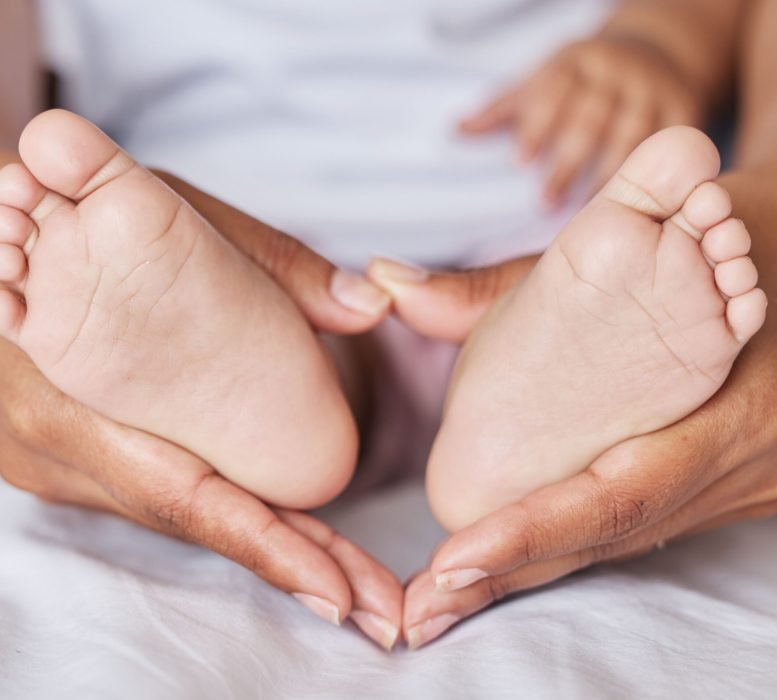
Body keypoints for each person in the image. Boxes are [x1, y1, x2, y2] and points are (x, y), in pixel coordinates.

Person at [1, 0, 774, 654]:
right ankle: (331, 394)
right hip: (219, 238)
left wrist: (656, 38)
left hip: (563, 235)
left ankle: (510, 398)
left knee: (590, 288)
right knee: (252, 327)